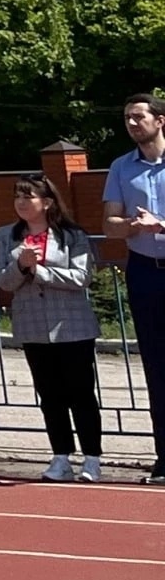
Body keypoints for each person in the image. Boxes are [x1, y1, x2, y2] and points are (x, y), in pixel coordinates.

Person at [0, 173, 102, 483]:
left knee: (81, 393)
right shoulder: (7, 235)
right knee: (50, 395)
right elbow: (3, 281)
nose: (21, 202)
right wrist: (20, 266)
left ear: (46, 202)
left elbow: (82, 277)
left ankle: (92, 458)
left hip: (72, 325)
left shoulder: (72, 235)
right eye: (17, 196)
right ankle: (60, 457)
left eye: (28, 196)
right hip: (33, 326)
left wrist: (40, 271)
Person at [100, 89, 165, 483]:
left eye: (138, 116)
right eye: (127, 117)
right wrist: (130, 226)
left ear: (160, 120)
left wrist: (162, 225)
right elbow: (109, 224)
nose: (132, 123)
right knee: (156, 366)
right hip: (144, 270)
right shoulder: (121, 167)